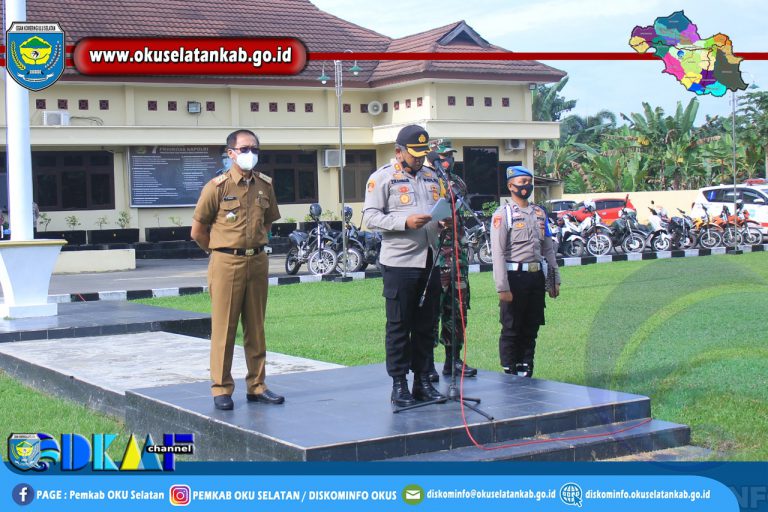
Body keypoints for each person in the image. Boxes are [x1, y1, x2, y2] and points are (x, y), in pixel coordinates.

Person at [191, 129, 283, 410]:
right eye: (244, 149)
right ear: (231, 153)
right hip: (226, 262)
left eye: (254, 149)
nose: (250, 154)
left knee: (256, 327)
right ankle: (221, 388)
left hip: (257, 261)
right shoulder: (216, 187)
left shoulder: (265, 185)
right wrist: (218, 252)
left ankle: (257, 385)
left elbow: (268, 222)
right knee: (224, 328)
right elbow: (197, 231)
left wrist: (255, 243)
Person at [363, 125, 447, 408]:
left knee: (426, 325)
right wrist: (404, 222)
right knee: (399, 325)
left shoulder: (432, 177)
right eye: (414, 154)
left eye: (423, 153)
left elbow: (437, 210)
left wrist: (442, 222)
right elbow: (370, 218)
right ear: (398, 152)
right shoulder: (382, 178)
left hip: (429, 259)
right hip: (400, 263)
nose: (420, 159)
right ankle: (399, 384)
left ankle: (423, 381)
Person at [490, 166, 561, 378]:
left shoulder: (539, 213)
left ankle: (526, 368)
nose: (526, 186)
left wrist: (554, 280)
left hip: (536, 276)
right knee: (512, 328)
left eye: (529, 182)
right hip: (514, 278)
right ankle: (509, 371)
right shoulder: (503, 214)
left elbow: (548, 249)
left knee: (531, 326)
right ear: (511, 186)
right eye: (522, 182)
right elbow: (498, 253)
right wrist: (502, 287)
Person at [425, 140, 477, 382]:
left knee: (457, 308)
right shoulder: (425, 181)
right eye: (442, 156)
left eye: (450, 155)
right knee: (431, 310)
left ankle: (453, 360)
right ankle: (426, 364)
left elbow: (458, 202)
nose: (447, 160)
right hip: (434, 254)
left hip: (457, 254)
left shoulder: (456, 182)